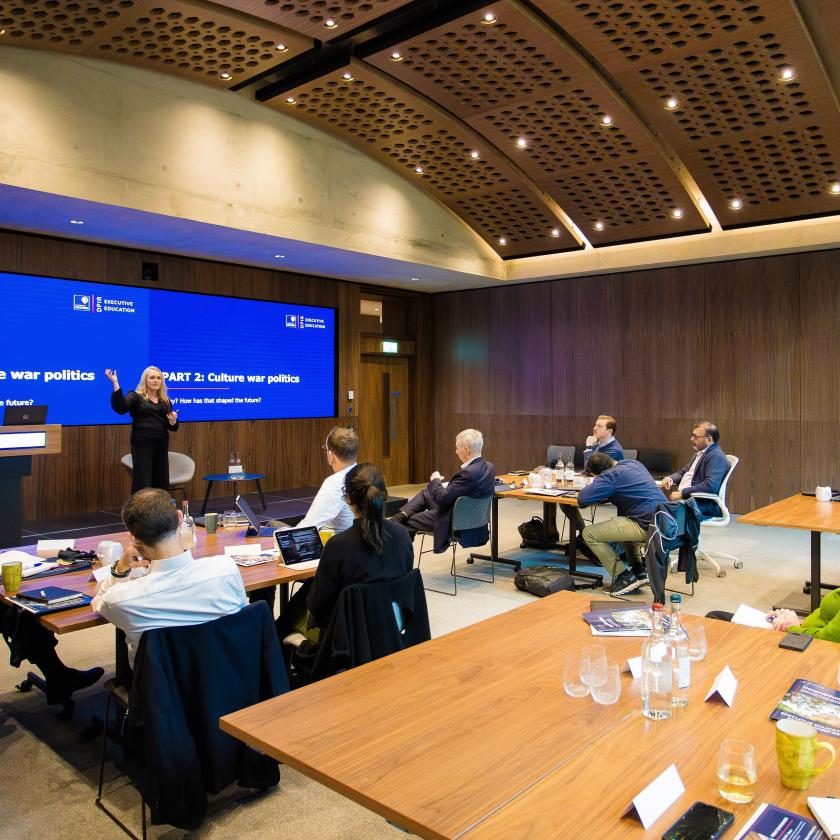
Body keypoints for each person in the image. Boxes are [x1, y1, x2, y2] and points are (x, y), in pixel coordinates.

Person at [92, 487, 247, 668]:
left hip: (163, 692)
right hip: (231, 681)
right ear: (180, 518)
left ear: (133, 538)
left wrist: (120, 568)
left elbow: (98, 602)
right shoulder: (226, 569)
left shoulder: (120, 599)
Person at [307, 463, 414, 631]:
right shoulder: (402, 535)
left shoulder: (337, 546)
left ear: (348, 498)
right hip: (393, 632)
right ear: (384, 494)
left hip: (347, 640)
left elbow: (317, 607)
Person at [390, 428, 495, 552]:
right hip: (472, 517)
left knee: (407, 522)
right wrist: (443, 485)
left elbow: (442, 499)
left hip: (454, 520)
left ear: (466, 450)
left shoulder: (467, 473)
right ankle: (400, 515)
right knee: (427, 492)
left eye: (457, 448)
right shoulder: (489, 467)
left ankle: (401, 558)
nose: (456, 452)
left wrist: (435, 480)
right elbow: (465, 489)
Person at [578, 453, 667, 595]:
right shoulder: (633, 463)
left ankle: (623, 577)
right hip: (665, 520)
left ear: (600, 473)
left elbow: (582, 498)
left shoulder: (609, 476)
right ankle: (638, 571)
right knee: (622, 522)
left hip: (648, 525)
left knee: (589, 533)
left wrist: (597, 483)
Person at [106, 366, 179, 494]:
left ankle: (160, 512)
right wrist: (115, 383)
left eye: (158, 378)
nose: (156, 380)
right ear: (145, 380)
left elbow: (172, 426)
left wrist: (173, 421)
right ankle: (140, 512)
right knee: (143, 481)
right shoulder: (135, 396)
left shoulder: (165, 401)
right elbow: (121, 408)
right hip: (142, 444)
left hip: (161, 443)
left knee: (161, 480)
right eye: (152, 378)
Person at [708, 592, 840, 643]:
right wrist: (794, 619)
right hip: (799, 630)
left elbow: (828, 638)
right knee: (716, 617)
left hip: (803, 642)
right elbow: (827, 619)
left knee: (715, 620)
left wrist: (791, 627)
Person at [661, 421, 729, 519]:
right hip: (690, 499)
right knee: (655, 506)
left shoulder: (716, 456)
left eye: (695, 436)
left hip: (702, 503)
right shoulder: (700, 454)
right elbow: (683, 472)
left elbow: (711, 485)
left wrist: (682, 493)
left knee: (660, 511)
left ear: (709, 440)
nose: (691, 439)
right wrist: (670, 478)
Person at [296, 426, 358, 533]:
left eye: (326, 448)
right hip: (363, 543)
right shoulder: (368, 474)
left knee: (272, 524)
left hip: (337, 545)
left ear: (331, 455)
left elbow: (308, 527)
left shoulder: (335, 483)